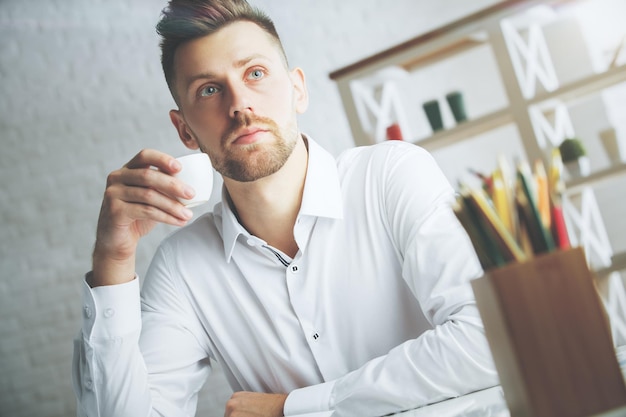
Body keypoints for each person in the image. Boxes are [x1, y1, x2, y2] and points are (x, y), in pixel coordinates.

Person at [72, 0, 498, 416]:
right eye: (209, 89)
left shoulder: (390, 176)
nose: (239, 105)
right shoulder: (182, 267)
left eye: (255, 73)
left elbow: (488, 340)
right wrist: (112, 260)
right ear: (185, 129)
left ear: (297, 89)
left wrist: (293, 409)